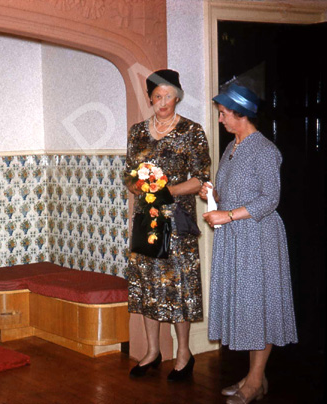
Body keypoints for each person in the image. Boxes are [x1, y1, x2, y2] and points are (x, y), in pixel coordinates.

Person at [199, 83, 297, 403]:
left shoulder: (265, 150)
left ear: (242, 115)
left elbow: (270, 199)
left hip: (258, 237)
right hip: (235, 238)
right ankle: (254, 376)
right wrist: (212, 195)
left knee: (259, 307)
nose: (220, 119)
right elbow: (230, 193)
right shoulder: (231, 147)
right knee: (246, 306)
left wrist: (228, 216)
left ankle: (255, 381)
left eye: (224, 114)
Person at [125, 69, 211, 380]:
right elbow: (130, 174)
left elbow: (202, 177)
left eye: (169, 95)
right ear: (150, 98)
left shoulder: (192, 131)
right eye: (158, 96)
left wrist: (167, 192)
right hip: (146, 220)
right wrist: (140, 188)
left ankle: (184, 354)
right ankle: (152, 351)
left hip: (178, 222)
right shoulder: (137, 132)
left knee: (180, 288)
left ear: (178, 97)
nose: (163, 102)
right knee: (149, 285)